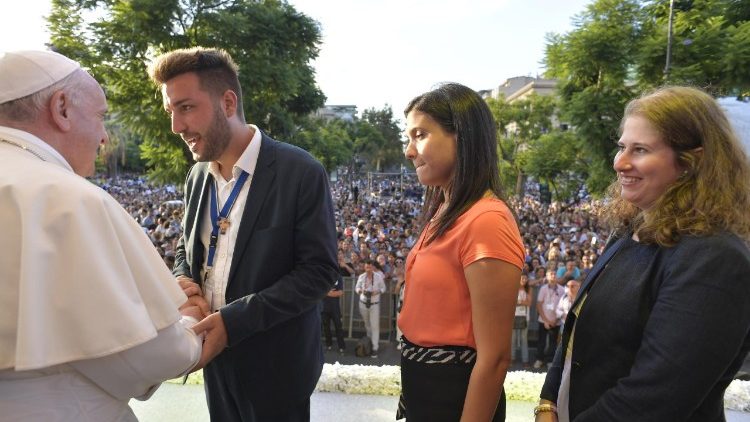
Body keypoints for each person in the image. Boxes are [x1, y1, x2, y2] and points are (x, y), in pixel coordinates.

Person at [0, 50, 202, 420]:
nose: (105, 137)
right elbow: (136, 354)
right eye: (100, 117)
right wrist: (189, 326)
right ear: (61, 108)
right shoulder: (64, 198)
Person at [536, 86, 750, 421]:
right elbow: (575, 335)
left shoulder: (715, 257)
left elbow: (655, 399)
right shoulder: (628, 229)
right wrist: (548, 403)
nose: (619, 162)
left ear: (692, 162)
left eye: (640, 149)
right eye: (622, 147)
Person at [148, 47, 338, 421]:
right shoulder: (197, 176)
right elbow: (188, 251)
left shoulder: (300, 171)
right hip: (216, 362)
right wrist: (183, 280)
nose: (176, 127)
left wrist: (235, 321)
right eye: (172, 112)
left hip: (277, 370)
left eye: (186, 108)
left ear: (228, 102)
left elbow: (318, 272)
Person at [397, 83, 524, 421]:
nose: (409, 151)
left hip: (455, 397)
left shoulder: (487, 221)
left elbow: (494, 358)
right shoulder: (446, 208)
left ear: (462, 137)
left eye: (420, 135)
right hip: (424, 391)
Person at [355, 259, 387, 358]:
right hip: (363, 303)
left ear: (373, 267)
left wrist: (377, 292)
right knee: (367, 323)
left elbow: (384, 288)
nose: (368, 269)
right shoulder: (361, 277)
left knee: (374, 326)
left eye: (370, 267)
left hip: (374, 304)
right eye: (367, 267)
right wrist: (360, 290)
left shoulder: (378, 277)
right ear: (364, 267)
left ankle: (375, 348)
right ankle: (369, 342)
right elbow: (356, 288)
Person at [534, 269, 565, 369]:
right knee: (541, 341)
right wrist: (546, 321)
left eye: (555, 274)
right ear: (546, 277)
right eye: (551, 274)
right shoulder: (543, 289)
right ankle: (539, 360)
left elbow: (563, 306)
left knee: (553, 342)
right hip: (543, 320)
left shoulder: (561, 289)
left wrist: (555, 320)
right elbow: (539, 305)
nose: (553, 276)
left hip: (556, 321)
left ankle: (550, 361)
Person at [512, 273, 532, 367]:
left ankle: (525, 360)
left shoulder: (528, 289)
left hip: (525, 317)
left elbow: (529, 303)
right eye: (522, 278)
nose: (524, 280)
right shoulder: (512, 288)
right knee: (513, 339)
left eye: (525, 278)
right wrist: (522, 302)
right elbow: (511, 302)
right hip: (513, 317)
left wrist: (518, 302)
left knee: (524, 339)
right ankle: (512, 358)